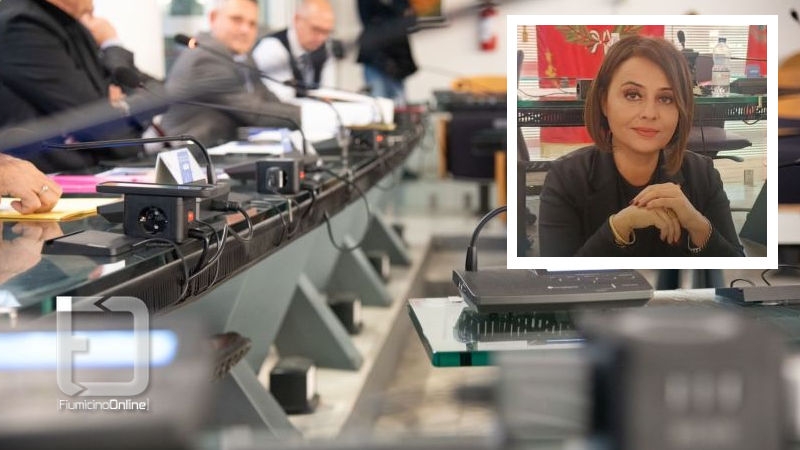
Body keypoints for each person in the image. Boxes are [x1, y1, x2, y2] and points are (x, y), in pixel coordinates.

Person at [538, 35, 744, 257]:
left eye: (665, 99)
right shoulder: (566, 178)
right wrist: (619, 227)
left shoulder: (702, 174)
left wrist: (697, 224)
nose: (649, 113)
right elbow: (555, 275)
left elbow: (738, 269)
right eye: (633, 95)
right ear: (604, 102)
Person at [0, 0, 152, 172]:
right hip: (50, 175)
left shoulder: (68, 24)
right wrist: (117, 109)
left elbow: (151, 90)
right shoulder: (22, 24)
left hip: (94, 165)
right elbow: (92, 117)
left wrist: (115, 110)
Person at [160, 0, 302, 147]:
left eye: (252, 24)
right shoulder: (206, 57)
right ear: (213, 18)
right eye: (236, 20)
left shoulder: (243, 57)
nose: (245, 30)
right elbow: (253, 113)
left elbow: (267, 99)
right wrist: (305, 115)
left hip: (222, 147)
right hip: (189, 152)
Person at [252, 0, 335, 101]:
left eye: (326, 32)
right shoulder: (271, 48)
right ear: (297, 20)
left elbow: (328, 93)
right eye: (316, 29)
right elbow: (280, 101)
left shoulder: (323, 51)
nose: (321, 38)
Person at [356, 0, 418, 105]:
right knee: (378, 101)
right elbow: (368, 22)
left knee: (399, 104)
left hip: (398, 60)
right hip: (375, 59)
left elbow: (410, 20)